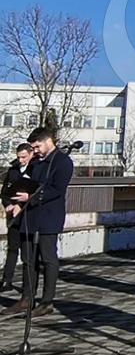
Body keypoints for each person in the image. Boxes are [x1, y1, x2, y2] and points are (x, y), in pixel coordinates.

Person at [0, 127, 74, 317]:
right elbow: (27, 183)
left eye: (37, 146)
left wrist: (30, 198)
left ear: (48, 140)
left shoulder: (62, 162)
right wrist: (16, 201)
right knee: (28, 259)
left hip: (48, 217)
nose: (36, 150)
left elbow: (56, 190)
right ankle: (27, 298)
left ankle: (47, 301)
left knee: (48, 259)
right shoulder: (36, 163)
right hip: (29, 216)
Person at [0, 143, 35, 292]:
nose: (21, 160)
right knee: (12, 249)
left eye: (24, 157)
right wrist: (8, 204)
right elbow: (5, 191)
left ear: (31, 154)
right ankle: (6, 280)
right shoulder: (13, 170)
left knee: (28, 253)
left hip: (28, 215)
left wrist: (22, 204)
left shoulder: (36, 169)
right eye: (18, 157)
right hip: (13, 216)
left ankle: (28, 286)